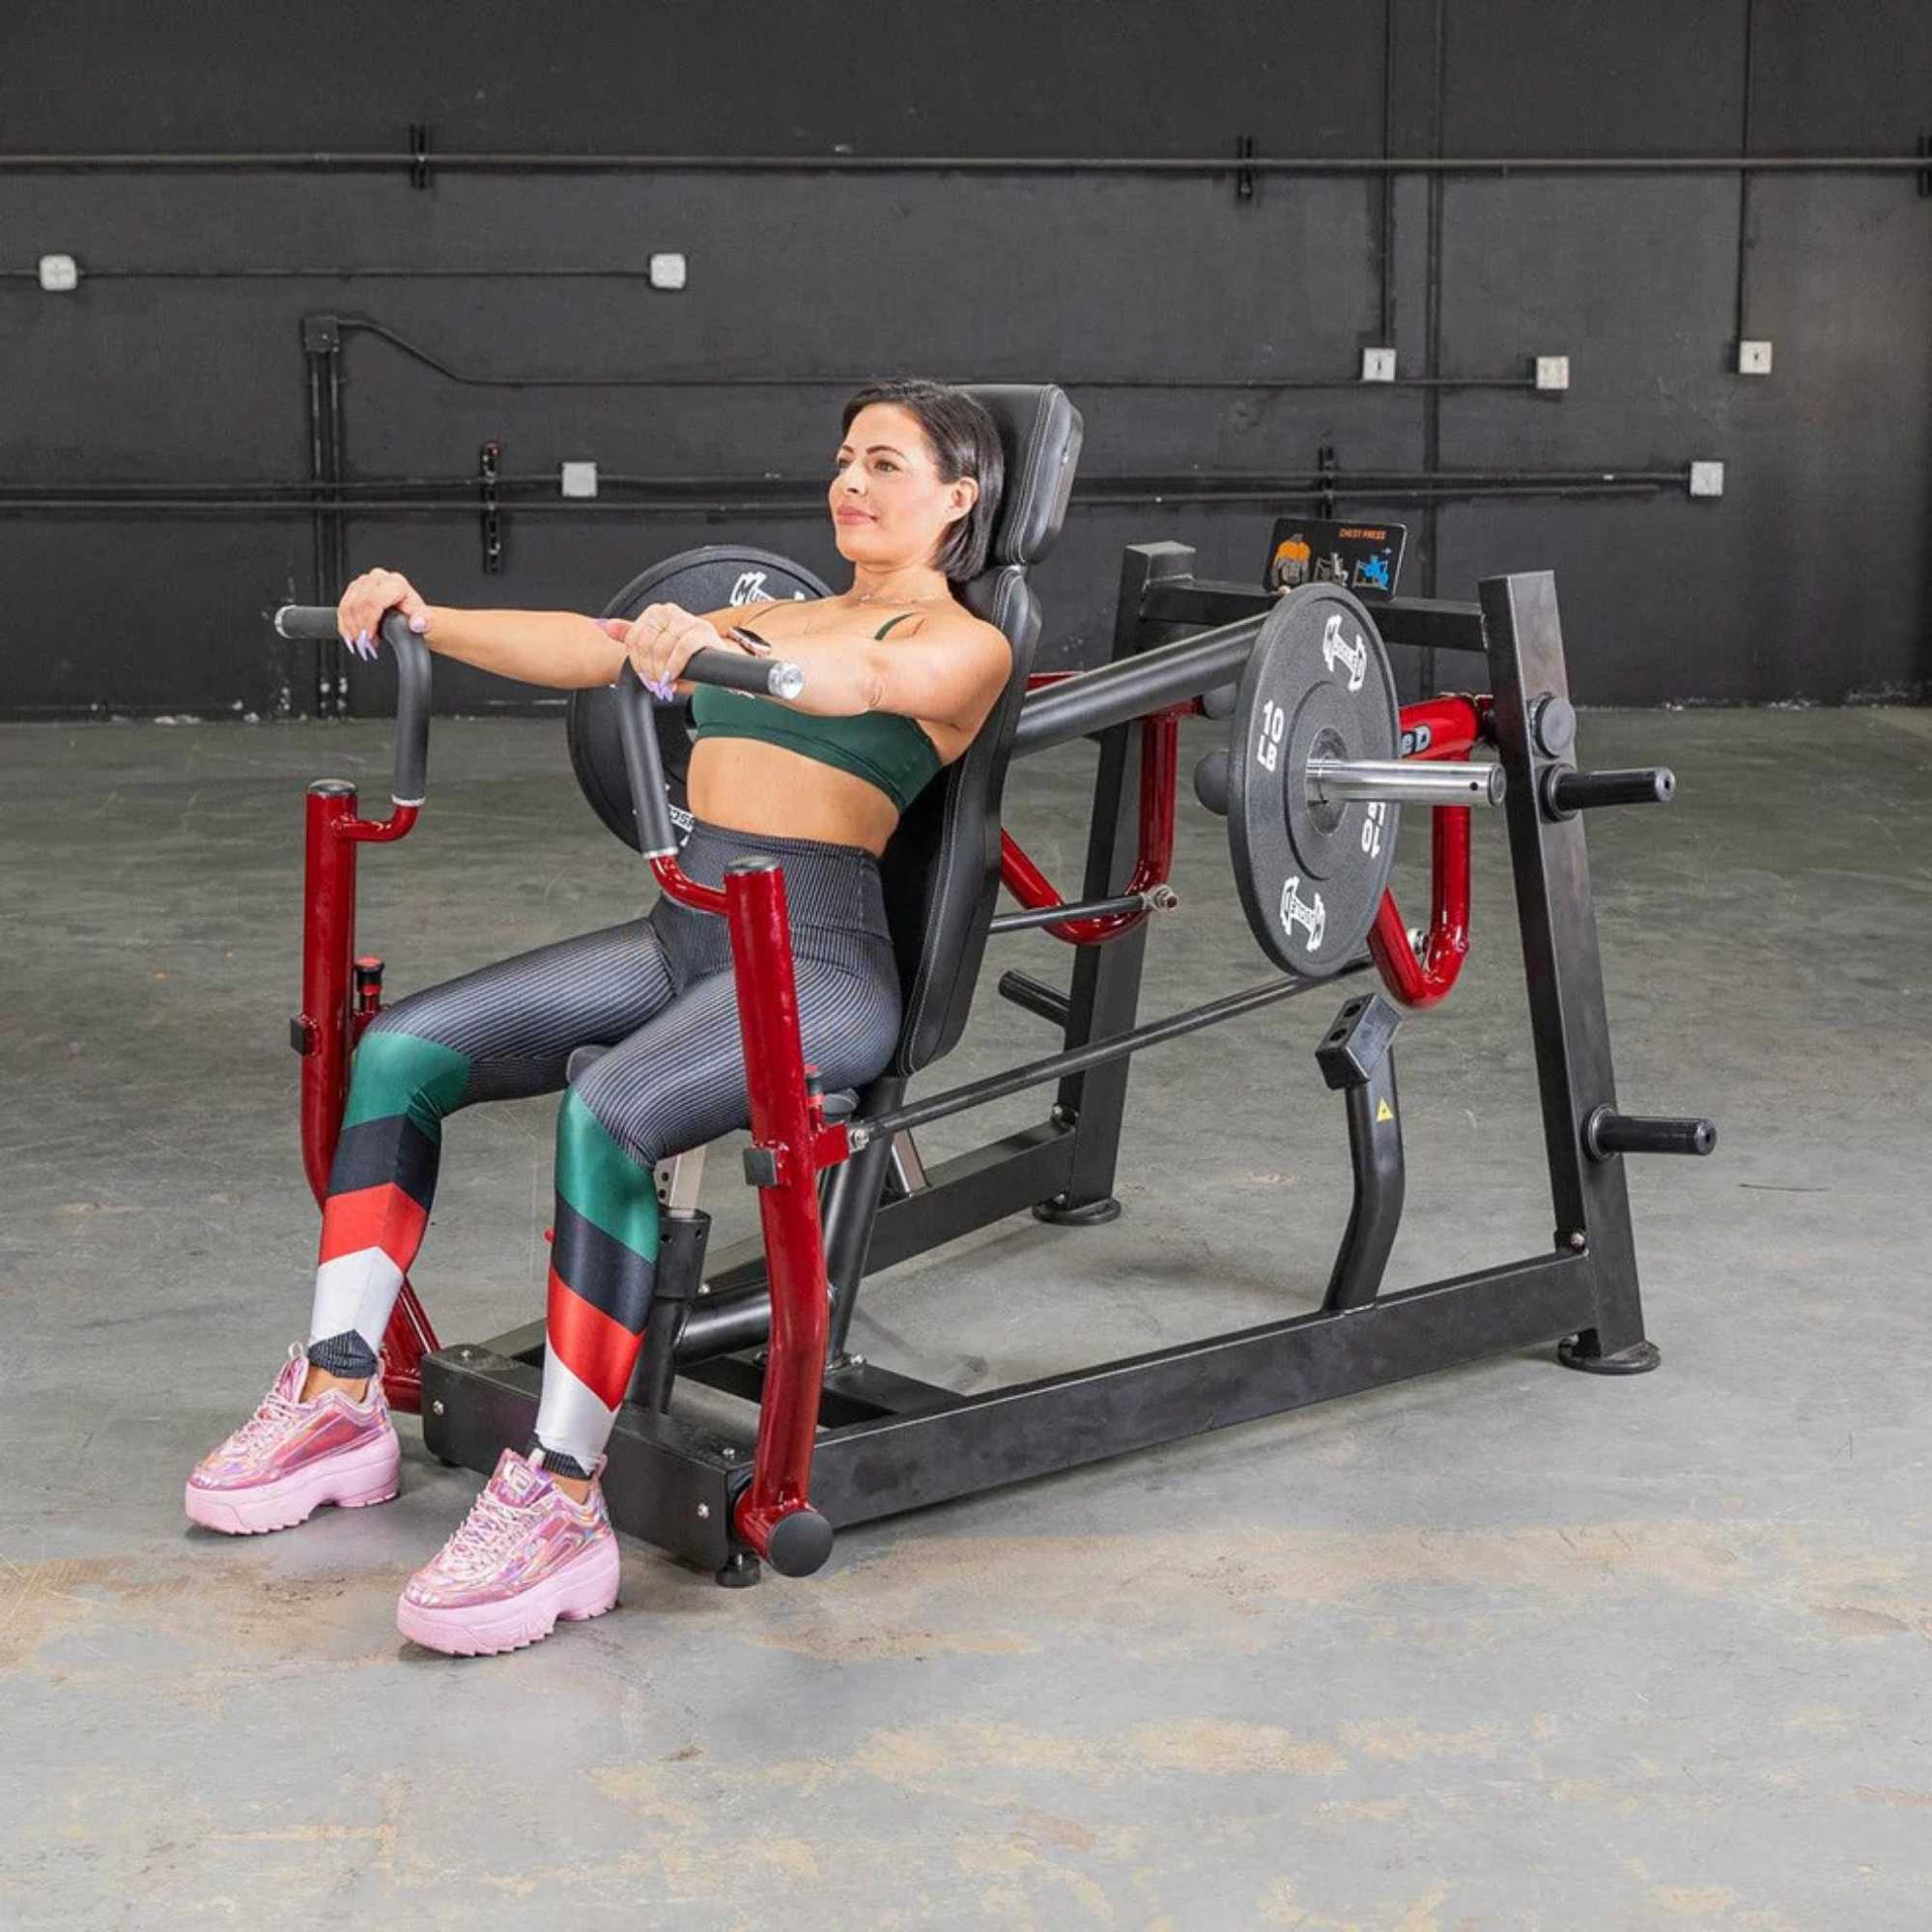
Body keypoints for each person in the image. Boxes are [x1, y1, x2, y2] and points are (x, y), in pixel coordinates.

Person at [185, 379, 1010, 1656]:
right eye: (844, 458)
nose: (850, 483)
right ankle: (341, 1392)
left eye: (885, 465)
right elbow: (590, 641)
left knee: (608, 1110)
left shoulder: (966, 641)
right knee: (401, 1048)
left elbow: (856, 681)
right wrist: (428, 616)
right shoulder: (781, 603)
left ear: (956, 498)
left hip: (819, 967)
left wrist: (727, 653)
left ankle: (563, 1497)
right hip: (689, 936)